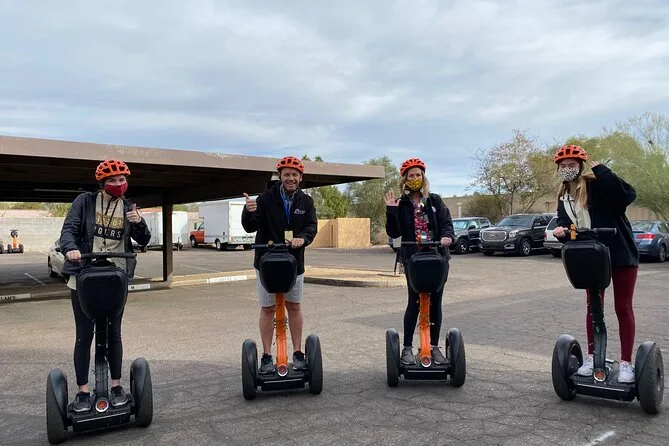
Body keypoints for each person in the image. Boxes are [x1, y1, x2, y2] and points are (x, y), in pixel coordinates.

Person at [59, 160, 151, 412]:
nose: (118, 184)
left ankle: (116, 386)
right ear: (102, 184)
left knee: (114, 333)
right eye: (112, 180)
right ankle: (82, 391)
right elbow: (68, 230)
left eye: (122, 180)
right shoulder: (85, 202)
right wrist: (71, 249)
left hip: (115, 278)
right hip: (84, 275)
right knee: (84, 335)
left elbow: (144, 239)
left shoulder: (129, 207)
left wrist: (139, 222)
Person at [551, 145, 639, 383]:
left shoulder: (596, 185)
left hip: (620, 254)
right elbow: (566, 223)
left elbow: (626, 196)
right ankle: (592, 358)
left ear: (580, 166)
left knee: (623, 307)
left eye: (572, 165)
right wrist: (561, 230)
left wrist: (603, 171)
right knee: (593, 309)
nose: (567, 169)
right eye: (563, 166)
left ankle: (626, 363)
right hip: (592, 257)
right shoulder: (564, 197)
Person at [241, 156, 318, 374]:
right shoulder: (265, 198)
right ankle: (266, 356)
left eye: (294, 175)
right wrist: (249, 211)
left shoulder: (306, 201)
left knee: (294, 306)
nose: (290, 178)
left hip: (294, 263)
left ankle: (297, 353)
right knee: (267, 309)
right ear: (280, 176)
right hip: (267, 263)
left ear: (300, 177)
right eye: (286, 175)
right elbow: (250, 226)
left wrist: (302, 238)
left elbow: (311, 226)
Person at [385, 157, 455, 365]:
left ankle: (433, 347)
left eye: (418, 175)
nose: (415, 178)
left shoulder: (434, 201)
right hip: (413, 259)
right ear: (405, 179)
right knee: (413, 302)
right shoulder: (402, 204)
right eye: (411, 175)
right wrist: (391, 210)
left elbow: (446, 223)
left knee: (436, 303)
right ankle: (407, 348)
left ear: (423, 177)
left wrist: (447, 236)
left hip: (437, 258)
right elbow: (394, 232)